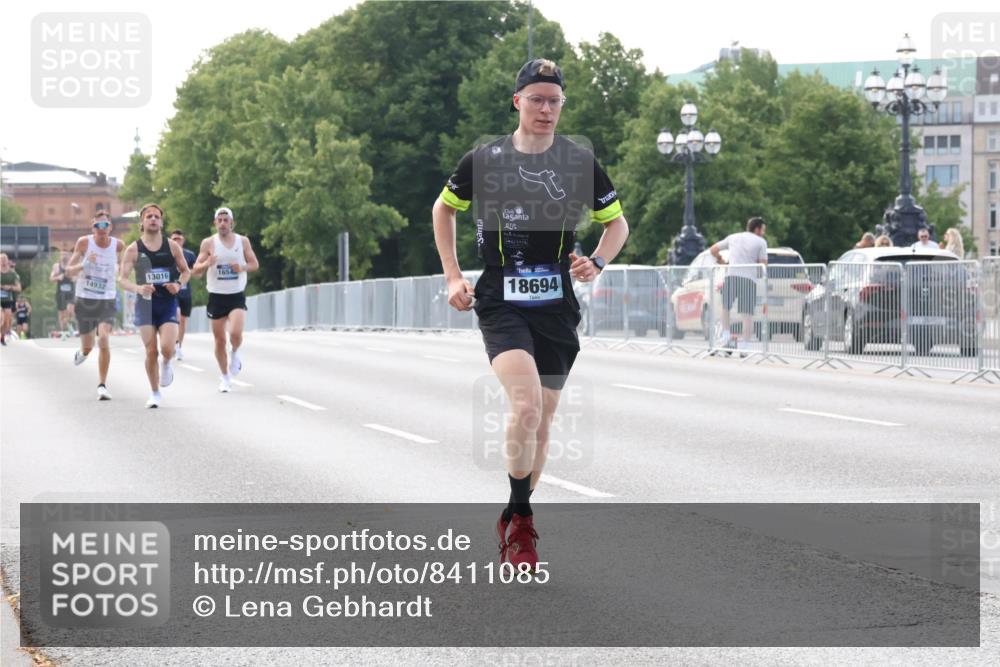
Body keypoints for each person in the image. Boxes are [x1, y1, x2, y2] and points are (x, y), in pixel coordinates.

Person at [432, 58, 629, 571]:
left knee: (543, 421)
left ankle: (515, 511)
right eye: (536, 99)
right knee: (525, 407)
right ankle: (521, 524)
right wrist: (454, 275)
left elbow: (617, 224)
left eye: (554, 101)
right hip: (501, 298)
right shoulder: (484, 159)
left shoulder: (578, 162)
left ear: (563, 106)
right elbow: (443, 209)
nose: (546, 109)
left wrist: (598, 261)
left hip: (556, 301)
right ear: (517, 101)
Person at [119, 204, 191, 408]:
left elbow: (186, 272)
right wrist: (139, 288)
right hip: (145, 306)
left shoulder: (172, 247)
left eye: (156, 216)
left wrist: (178, 284)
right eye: (148, 216)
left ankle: (167, 363)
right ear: (141, 223)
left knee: (168, 349)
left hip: (167, 303)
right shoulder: (133, 249)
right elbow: (122, 280)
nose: (152, 219)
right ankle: (154, 392)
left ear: (161, 221)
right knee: (151, 351)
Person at [192, 207, 259, 393]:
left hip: (236, 294)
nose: (222, 223)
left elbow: (255, 264)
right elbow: (195, 270)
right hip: (216, 296)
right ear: (215, 223)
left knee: (236, 333)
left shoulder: (242, 241)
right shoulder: (208, 243)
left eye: (226, 220)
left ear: (232, 223)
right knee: (219, 340)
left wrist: (242, 267)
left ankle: (235, 352)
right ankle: (225, 377)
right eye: (219, 220)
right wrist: (207, 263)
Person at [65, 211, 124, 399]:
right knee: (88, 347)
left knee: (104, 338)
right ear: (92, 228)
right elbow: (68, 271)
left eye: (105, 225)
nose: (101, 229)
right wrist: (84, 264)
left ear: (110, 227)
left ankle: (102, 385)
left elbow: (125, 266)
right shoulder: (84, 243)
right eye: (97, 226)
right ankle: (82, 352)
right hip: (84, 298)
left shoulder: (118, 245)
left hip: (107, 298)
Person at [710, 217, 768, 351]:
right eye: (763, 229)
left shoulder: (733, 237)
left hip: (732, 275)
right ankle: (745, 346)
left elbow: (713, 250)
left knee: (725, 307)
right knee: (747, 313)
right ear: (757, 229)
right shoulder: (761, 242)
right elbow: (763, 265)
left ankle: (726, 337)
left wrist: (722, 261)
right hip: (749, 279)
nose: (763, 232)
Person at [169, 229, 198, 360]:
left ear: (183, 240)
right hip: (171, 291)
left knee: (183, 320)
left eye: (179, 239)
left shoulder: (189, 255)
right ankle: (173, 343)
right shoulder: (167, 254)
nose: (176, 241)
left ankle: (179, 346)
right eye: (174, 239)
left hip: (185, 291)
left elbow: (197, 271)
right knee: (177, 316)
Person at [50, 250, 77, 334]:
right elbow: (51, 279)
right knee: (61, 313)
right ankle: (63, 332)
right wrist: (58, 277)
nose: (64, 256)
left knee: (70, 311)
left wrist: (74, 278)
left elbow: (78, 277)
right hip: (60, 293)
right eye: (63, 254)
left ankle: (68, 324)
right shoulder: (56, 266)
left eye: (66, 254)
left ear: (69, 256)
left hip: (70, 292)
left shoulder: (73, 266)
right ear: (60, 256)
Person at [0, 253, 21, 345]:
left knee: (7, 321)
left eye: (5, 259)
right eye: (1, 259)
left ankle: (2, 337)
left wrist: (10, 287)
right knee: (2, 318)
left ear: (7, 260)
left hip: (8, 299)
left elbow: (19, 288)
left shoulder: (12, 274)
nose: (3, 261)